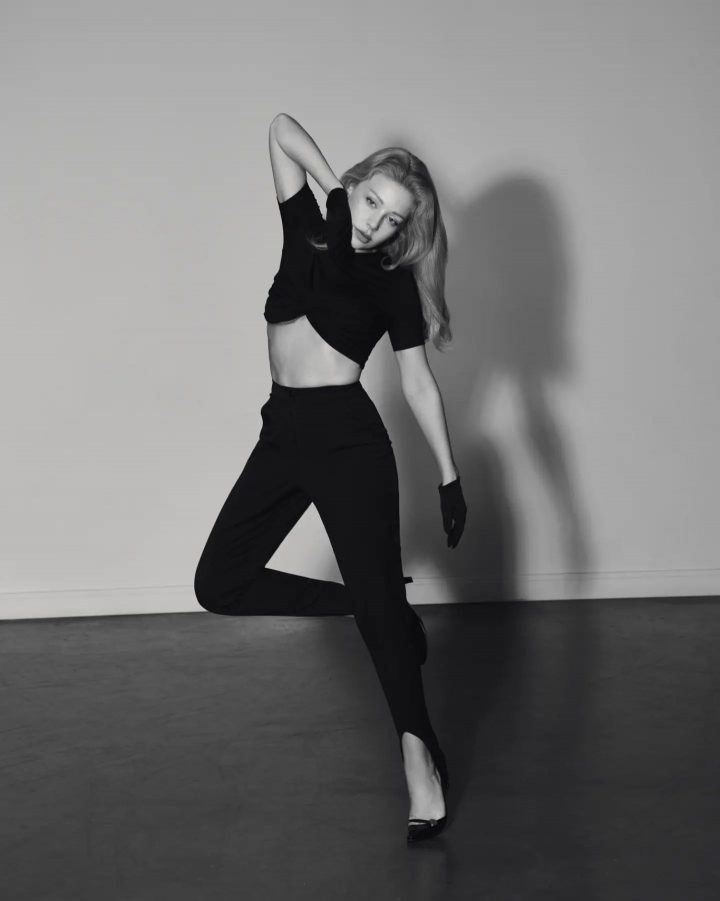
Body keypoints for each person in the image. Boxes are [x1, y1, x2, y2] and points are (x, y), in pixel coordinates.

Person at [193, 113, 467, 843]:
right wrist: (334, 191)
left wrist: (449, 476)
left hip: (348, 442)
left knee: (381, 623)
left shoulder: (393, 283)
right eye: (372, 201)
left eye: (393, 219)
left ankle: (420, 760)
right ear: (356, 184)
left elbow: (417, 384)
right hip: (282, 434)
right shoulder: (309, 229)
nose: (376, 224)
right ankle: (377, 606)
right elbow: (280, 128)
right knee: (218, 583)